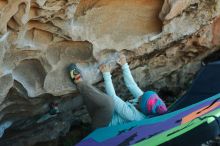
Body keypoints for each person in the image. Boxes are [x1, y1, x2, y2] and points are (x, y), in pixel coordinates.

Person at [68, 54, 167, 129]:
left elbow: (113, 97)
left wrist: (106, 74)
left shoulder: (135, 117)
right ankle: (55, 109)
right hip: (100, 113)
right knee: (88, 95)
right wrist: (124, 65)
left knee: (109, 103)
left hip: (102, 126)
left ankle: (78, 81)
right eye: (143, 95)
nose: (140, 96)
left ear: (144, 108)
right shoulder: (144, 101)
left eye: (141, 98)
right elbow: (132, 85)